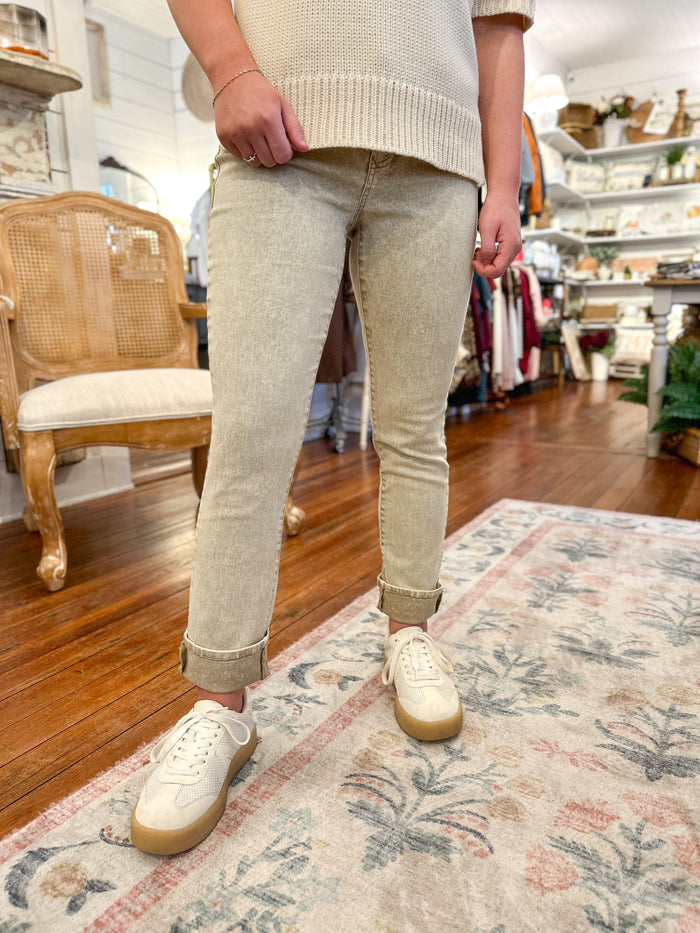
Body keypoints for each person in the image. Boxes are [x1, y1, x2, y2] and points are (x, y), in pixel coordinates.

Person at [131, 0, 534, 856]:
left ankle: (409, 633)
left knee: (414, 427)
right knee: (251, 434)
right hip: (278, 130)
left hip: (440, 163)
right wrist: (230, 71)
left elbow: (498, 24)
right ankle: (219, 701)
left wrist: (503, 185)